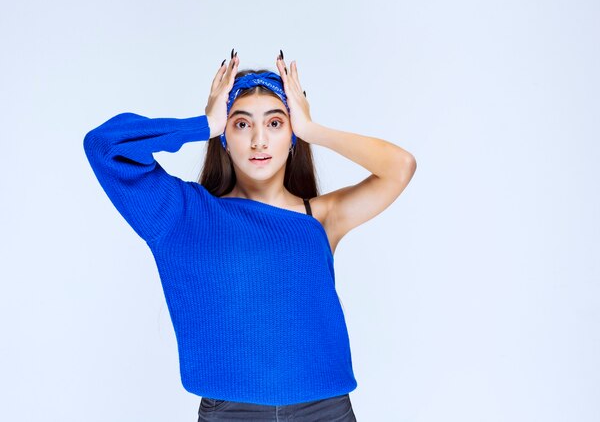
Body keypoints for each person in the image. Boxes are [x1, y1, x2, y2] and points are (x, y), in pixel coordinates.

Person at [83, 48, 417, 421]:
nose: (259, 140)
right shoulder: (182, 214)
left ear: (291, 134)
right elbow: (105, 145)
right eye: (241, 124)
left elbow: (400, 167)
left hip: (326, 411)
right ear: (224, 135)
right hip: (231, 412)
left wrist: (311, 129)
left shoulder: (321, 216)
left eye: (275, 123)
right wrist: (202, 124)